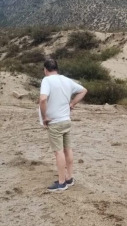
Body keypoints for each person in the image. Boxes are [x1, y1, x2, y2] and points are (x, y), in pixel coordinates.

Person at [39, 59, 88, 191]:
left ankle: (61, 182)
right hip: (66, 120)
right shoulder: (66, 80)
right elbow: (83, 90)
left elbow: (43, 99)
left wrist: (44, 117)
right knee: (68, 149)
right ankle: (69, 177)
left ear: (45, 69)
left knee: (58, 152)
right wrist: (72, 104)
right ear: (57, 68)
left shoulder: (46, 80)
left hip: (55, 122)